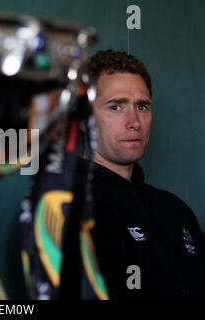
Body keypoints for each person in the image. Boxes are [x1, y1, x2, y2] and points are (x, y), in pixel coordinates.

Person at [73, 49, 205, 299]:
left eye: (142, 106)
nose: (134, 121)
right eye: (116, 107)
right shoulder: (65, 204)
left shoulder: (176, 211)